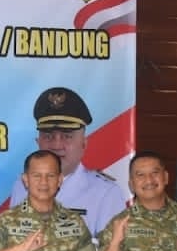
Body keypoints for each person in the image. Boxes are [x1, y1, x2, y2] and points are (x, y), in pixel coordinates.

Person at [9, 86, 125, 237]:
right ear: (38, 142)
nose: (56, 145)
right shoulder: (21, 186)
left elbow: (113, 250)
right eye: (49, 136)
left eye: (67, 136)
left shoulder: (106, 193)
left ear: (83, 144)